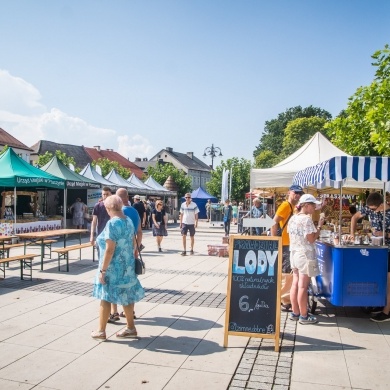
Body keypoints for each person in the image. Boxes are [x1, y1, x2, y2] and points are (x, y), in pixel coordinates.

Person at [91, 195, 145, 340]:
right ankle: (130, 327)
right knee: (127, 297)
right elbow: (133, 241)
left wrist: (103, 270)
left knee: (105, 297)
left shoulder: (112, 224)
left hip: (113, 268)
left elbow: (110, 249)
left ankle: (101, 331)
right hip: (127, 266)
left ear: (109, 208)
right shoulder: (127, 221)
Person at [351, 192, 390, 322]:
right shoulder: (369, 208)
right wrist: (352, 234)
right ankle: (380, 304)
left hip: (388, 250)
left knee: (389, 281)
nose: (371, 211)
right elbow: (354, 217)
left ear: (381, 205)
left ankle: (387, 311)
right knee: (380, 278)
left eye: (373, 209)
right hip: (376, 250)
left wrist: (384, 234)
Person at [287, 194, 324, 325]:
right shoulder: (306, 220)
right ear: (306, 205)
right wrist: (319, 227)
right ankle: (304, 315)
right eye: (313, 205)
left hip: (294, 253)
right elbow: (311, 239)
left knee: (295, 284)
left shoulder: (293, 218)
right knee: (303, 286)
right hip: (305, 254)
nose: (315, 207)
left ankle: (295, 312)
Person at [110, 188, 143, 320]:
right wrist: (136, 248)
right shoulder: (134, 211)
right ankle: (130, 311)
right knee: (130, 282)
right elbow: (139, 232)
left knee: (113, 282)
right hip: (131, 252)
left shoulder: (119, 213)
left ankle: (114, 312)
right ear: (127, 197)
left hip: (118, 254)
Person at [270, 185, 304, 311]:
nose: (298, 195)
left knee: (288, 271)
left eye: (300, 193)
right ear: (289, 192)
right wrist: (275, 240)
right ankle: (284, 300)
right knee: (286, 272)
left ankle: (286, 298)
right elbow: (273, 222)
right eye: (296, 193)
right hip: (284, 243)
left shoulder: (293, 207)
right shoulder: (285, 205)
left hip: (289, 243)